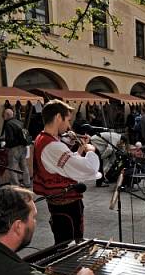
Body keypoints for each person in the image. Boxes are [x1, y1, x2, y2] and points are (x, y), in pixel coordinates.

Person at [33, 100, 100, 245]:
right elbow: (88, 168)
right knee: (69, 243)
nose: (69, 125)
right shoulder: (53, 145)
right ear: (58, 117)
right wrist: (90, 150)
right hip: (66, 203)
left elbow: (65, 167)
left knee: (65, 240)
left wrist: (79, 150)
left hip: (59, 201)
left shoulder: (42, 139)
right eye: (67, 120)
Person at [1, 108, 31, 188]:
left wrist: (6, 145)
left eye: (3, 115)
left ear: (6, 115)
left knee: (12, 168)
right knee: (24, 166)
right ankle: (27, 183)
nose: (3, 117)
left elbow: (9, 139)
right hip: (23, 147)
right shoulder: (20, 122)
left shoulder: (8, 124)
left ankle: (15, 185)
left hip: (14, 149)